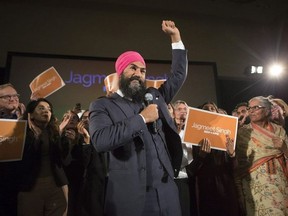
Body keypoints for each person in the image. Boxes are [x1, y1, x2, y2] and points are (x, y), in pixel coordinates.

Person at [89, 20, 187, 216]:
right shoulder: (102, 105)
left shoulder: (154, 97)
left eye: (142, 71)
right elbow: (101, 141)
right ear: (121, 72)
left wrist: (175, 37)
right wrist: (141, 119)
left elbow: (178, 75)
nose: (138, 74)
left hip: (167, 191)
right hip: (132, 198)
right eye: (132, 68)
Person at [235, 96, 288, 216]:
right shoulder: (243, 133)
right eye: (249, 108)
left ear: (267, 110)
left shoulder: (279, 131)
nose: (251, 111)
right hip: (256, 184)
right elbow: (239, 162)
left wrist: (284, 148)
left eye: (256, 107)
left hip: (280, 182)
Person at [186, 101, 240, 216]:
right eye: (206, 108)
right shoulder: (194, 138)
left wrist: (232, 154)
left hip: (225, 188)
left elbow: (234, 169)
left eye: (212, 108)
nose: (210, 110)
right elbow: (191, 171)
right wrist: (201, 156)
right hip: (206, 190)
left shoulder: (227, 138)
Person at [17, 98, 68, 216]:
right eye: (41, 108)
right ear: (31, 115)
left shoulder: (54, 133)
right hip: (30, 187)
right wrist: (35, 138)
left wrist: (61, 136)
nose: (46, 111)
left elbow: (63, 160)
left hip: (54, 185)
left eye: (49, 109)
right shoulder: (21, 132)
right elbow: (22, 162)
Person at [0, 83, 26, 216]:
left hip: (21, 182)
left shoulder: (27, 119)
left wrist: (24, 121)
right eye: (7, 96)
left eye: (15, 95)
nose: (13, 98)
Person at [78, 110, 107, 216]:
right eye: (84, 117)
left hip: (105, 182)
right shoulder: (78, 137)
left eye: (90, 117)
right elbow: (83, 163)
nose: (87, 120)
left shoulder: (103, 134)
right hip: (91, 184)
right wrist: (86, 141)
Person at [172, 100, 194, 216]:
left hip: (191, 178)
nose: (183, 112)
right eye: (179, 109)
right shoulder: (168, 132)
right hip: (176, 179)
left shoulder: (194, 132)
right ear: (173, 113)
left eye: (185, 109)